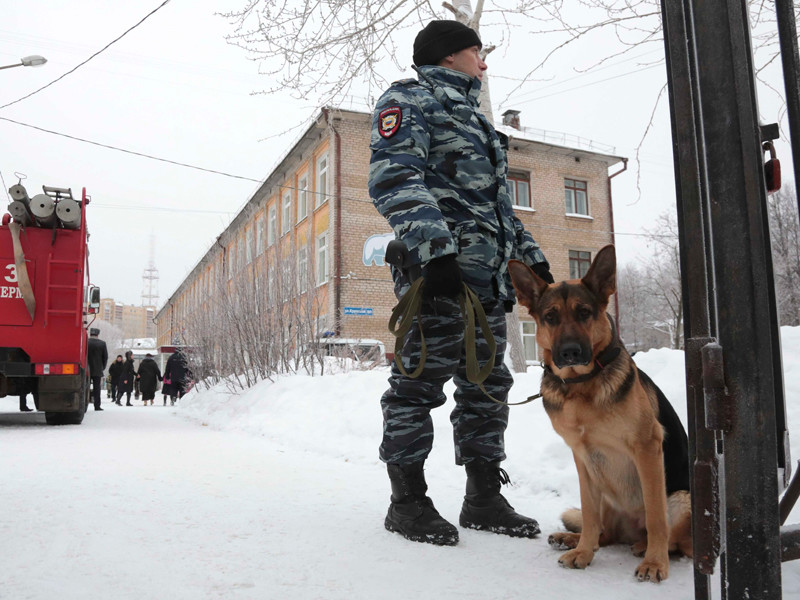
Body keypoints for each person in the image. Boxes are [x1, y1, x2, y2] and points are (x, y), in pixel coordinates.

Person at [368, 20, 555, 547]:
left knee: (487, 389)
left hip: (487, 285)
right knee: (417, 387)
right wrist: (436, 253)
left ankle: (482, 497)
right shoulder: (411, 101)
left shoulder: (475, 120)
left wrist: (533, 262)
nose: (484, 62)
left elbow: (495, 210)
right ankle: (407, 503)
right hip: (439, 280)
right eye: (478, 52)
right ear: (450, 55)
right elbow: (393, 179)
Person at [87, 327, 108, 411]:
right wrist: (102, 367)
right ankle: (97, 406)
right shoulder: (102, 344)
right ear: (97, 334)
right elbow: (105, 357)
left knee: (85, 387)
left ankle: (85, 404)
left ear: (90, 334)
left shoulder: (86, 342)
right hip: (97, 369)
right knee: (97, 388)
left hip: (87, 369)